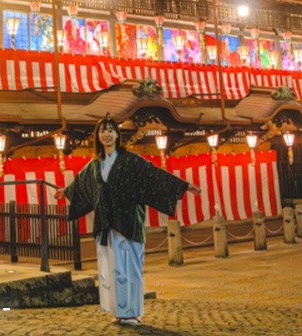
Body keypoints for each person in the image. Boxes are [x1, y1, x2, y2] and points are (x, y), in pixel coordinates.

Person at [54, 117, 201, 326]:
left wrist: (183, 186)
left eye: (110, 131)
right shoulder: (95, 164)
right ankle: (118, 310)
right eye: (102, 131)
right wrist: (65, 191)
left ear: (117, 134)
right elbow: (81, 184)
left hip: (128, 222)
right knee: (111, 270)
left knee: (130, 269)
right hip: (106, 225)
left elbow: (153, 175)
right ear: (97, 136)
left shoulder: (131, 160)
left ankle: (132, 312)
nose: (106, 135)